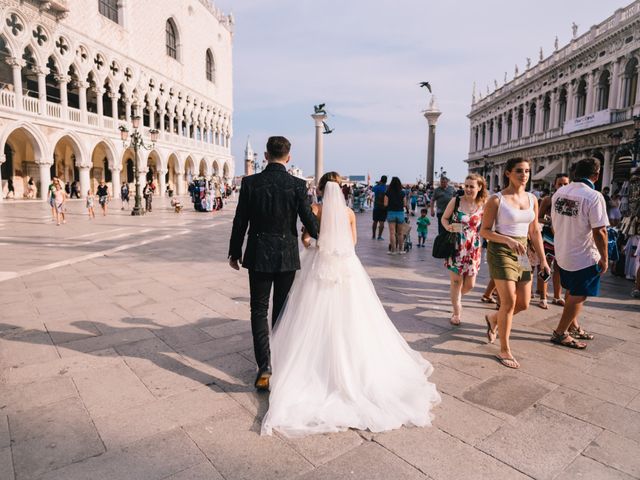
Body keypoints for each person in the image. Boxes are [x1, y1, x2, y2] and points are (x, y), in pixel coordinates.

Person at [261, 172, 440, 437]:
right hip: (346, 267)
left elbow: (307, 239)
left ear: (321, 189)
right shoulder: (350, 214)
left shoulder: (314, 209)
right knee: (354, 316)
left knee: (309, 314)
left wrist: (314, 243)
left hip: (318, 265)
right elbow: (353, 243)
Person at [228, 136, 319, 391]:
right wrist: (328, 237)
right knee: (281, 310)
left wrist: (235, 252)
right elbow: (309, 221)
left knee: (258, 310)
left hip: (258, 253)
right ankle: (278, 361)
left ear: (265, 156)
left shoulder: (250, 183)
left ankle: (264, 365)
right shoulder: (298, 185)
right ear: (288, 158)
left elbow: (240, 221)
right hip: (286, 255)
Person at [480, 158, 550, 369]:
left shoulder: (532, 199)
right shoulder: (496, 200)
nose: (524, 175)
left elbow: (535, 231)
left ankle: (493, 319)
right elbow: (485, 231)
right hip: (501, 250)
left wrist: (544, 260)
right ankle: (504, 349)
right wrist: (507, 240)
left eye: (527, 171)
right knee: (509, 302)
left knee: (524, 303)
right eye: (519, 171)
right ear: (508, 173)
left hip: (522, 252)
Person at [550, 158, 609, 349]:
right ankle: (560, 332)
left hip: (563, 251)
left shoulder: (560, 192)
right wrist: (605, 258)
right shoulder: (593, 196)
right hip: (583, 254)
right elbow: (600, 231)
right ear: (596, 175)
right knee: (579, 294)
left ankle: (573, 325)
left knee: (571, 290)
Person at [441, 173, 488, 325]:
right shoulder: (456, 201)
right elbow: (444, 218)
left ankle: (456, 297)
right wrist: (447, 226)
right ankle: (456, 312)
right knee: (456, 281)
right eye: (466, 186)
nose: (467, 189)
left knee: (470, 284)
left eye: (471, 186)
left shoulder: (484, 204)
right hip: (456, 245)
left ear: (479, 187)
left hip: (473, 246)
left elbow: (488, 224)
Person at [538, 173, 570, 307]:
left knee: (559, 267)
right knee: (546, 266)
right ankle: (543, 297)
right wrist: (550, 222)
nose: (562, 186)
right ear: (555, 185)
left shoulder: (571, 199)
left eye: (565, 184)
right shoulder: (548, 199)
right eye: (560, 184)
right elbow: (538, 218)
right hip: (549, 237)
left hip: (563, 237)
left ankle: (557, 296)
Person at [384, 176, 407, 255]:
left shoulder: (388, 192)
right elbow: (405, 204)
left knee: (392, 233)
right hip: (400, 213)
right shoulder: (402, 193)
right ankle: (401, 250)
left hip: (391, 213)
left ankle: (393, 250)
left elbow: (385, 204)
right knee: (400, 233)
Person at [371, 176, 387, 240]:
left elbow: (372, 189)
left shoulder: (377, 187)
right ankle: (379, 236)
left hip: (376, 207)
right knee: (382, 222)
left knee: (375, 221)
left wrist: (378, 184)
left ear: (380, 180)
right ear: (386, 181)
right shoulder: (386, 188)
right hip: (384, 207)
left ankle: (373, 235)